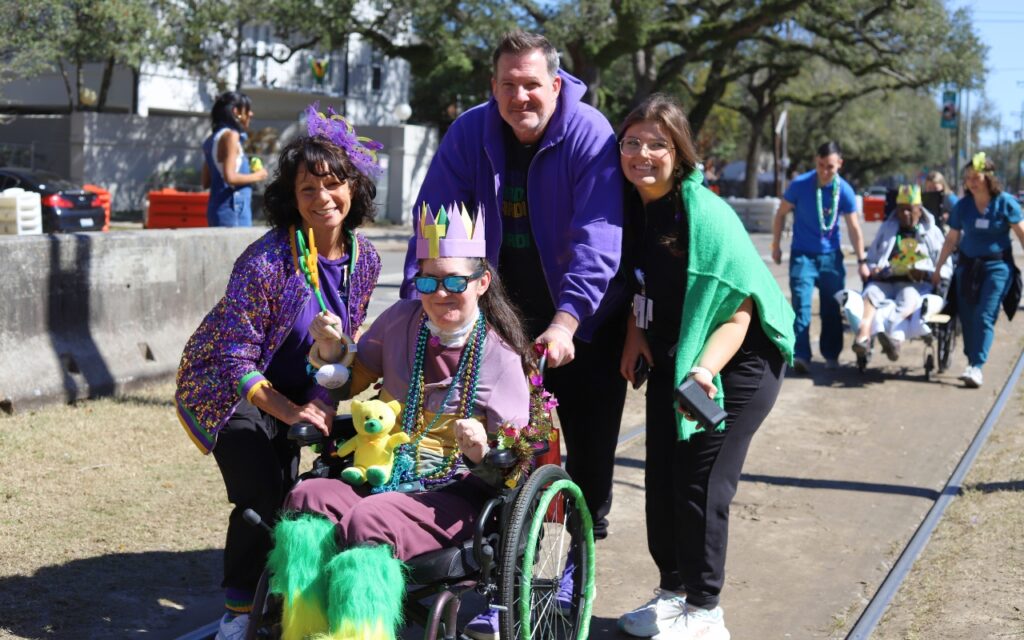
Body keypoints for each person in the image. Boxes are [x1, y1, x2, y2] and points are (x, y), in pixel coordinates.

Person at [265, 203, 535, 640]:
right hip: (385, 467)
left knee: (370, 520)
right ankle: (304, 626)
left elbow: (515, 462)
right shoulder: (401, 321)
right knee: (307, 496)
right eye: (428, 280)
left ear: (482, 283)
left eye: (454, 281)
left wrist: (481, 451)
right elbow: (349, 382)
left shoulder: (500, 355)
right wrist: (332, 349)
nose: (440, 292)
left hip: (456, 489)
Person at [402, 31, 626, 543]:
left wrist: (567, 320)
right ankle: (507, 555)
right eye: (508, 84)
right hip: (502, 319)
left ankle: (579, 554)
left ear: (556, 83)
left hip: (583, 320)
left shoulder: (590, 133)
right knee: (499, 442)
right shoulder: (468, 133)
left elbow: (598, 238)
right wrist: (420, 310)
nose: (519, 97)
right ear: (492, 86)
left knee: (589, 455)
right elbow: (435, 224)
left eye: (531, 84)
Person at [176, 106, 383, 640]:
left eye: (333, 185)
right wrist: (294, 410)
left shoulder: (366, 259)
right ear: (290, 197)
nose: (322, 199)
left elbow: (344, 346)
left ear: (354, 188)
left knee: (304, 493)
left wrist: (322, 399)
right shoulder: (265, 261)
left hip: (299, 385)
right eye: (307, 188)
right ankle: (239, 612)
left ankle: (293, 592)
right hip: (230, 390)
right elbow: (234, 358)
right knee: (262, 496)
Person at [616, 94, 794, 640]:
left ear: (680, 152)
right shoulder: (630, 206)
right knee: (662, 475)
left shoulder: (706, 216)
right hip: (678, 354)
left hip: (738, 361)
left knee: (702, 479)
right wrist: (634, 335)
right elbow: (639, 285)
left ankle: (706, 608)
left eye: (656, 144)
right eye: (632, 142)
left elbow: (738, 313)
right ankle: (673, 594)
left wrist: (702, 372)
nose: (641, 153)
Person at [931, 152, 1024, 388]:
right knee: (968, 316)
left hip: (997, 268)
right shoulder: (962, 206)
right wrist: (939, 267)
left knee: (985, 314)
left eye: (976, 176)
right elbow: (951, 239)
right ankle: (972, 361)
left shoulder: (1005, 203)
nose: (971, 181)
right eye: (968, 177)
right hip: (967, 267)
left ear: (989, 177)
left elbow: (1021, 234)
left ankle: (977, 366)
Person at [851, 185, 951, 362]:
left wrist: (927, 273)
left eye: (909, 210)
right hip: (886, 280)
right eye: (901, 210)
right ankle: (862, 338)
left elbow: (945, 266)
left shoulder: (932, 232)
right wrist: (875, 269)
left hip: (915, 283)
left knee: (908, 297)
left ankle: (893, 340)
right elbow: (872, 258)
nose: (905, 214)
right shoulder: (887, 228)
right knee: (870, 294)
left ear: (919, 210)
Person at [201, 91, 268, 227]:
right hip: (234, 213)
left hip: (216, 210)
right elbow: (230, 177)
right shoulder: (231, 136)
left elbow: (206, 182)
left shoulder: (211, 140)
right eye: (247, 109)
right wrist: (259, 175)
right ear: (236, 111)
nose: (251, 114)